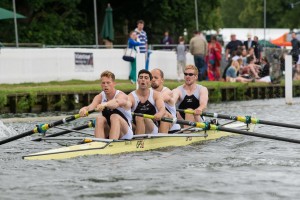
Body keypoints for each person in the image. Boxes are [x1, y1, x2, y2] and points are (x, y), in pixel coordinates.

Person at [79, 71, 133, 140]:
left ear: (114, 84)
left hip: (125, 133)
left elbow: (116, 102)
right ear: (101, 85)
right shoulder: (100, 96)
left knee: (114, 116)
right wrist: (83, 110)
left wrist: (105, 104)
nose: (105, 85)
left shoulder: (121, 95)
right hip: (110, 130)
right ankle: (99, 143)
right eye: (103, 83)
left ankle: (111, 145)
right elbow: (90, 107)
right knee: (99, 118)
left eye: (108, 83)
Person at [129, 69, 166, 134]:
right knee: (137, 118)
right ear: (138, 81)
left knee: (140, 116)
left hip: (151, 127)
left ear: (150, 81)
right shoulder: (131, 96)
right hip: (136, 127)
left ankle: (139, 140)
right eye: (141, 77)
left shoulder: (156, 94)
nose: (143, 80)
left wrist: (159, 114)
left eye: (146, 78)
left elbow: (162, 108)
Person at [151, 68, 181, 133]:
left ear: (162, 80)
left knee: (165, 114)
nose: (153, 79)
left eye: (156, 78)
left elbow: (160, 98)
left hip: (172, 129)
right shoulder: (148, 91)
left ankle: (161, 139)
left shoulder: (167, 92)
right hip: (156, 125)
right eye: (151, 77)